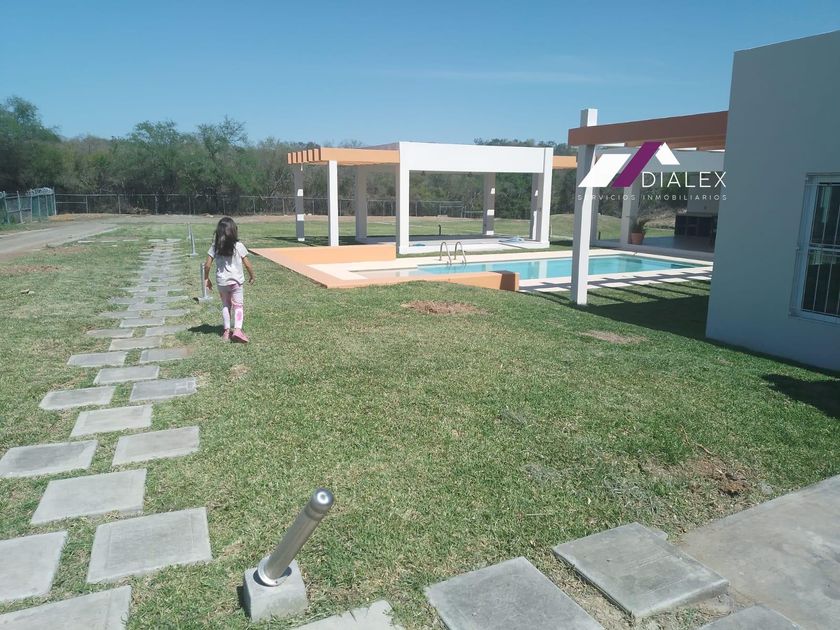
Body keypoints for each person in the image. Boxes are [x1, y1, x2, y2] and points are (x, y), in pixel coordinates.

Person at [204, 217, 255, 343]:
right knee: (238, 306)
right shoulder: (239, 246)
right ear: (233, 231)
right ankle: (237, 330)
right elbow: (248, 264)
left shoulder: (215, 247)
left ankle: (226, 331)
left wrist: (206, 278)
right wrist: (252, 276)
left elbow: (207, 265)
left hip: (222, 283)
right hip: (236, 282)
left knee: (226, 305)